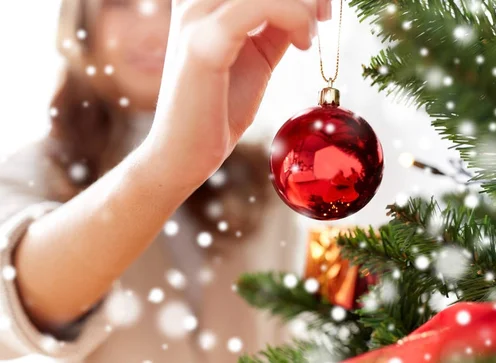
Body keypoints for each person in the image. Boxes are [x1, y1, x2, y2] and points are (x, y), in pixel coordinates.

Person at [0, 0, 331, 361]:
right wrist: (169, 162)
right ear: (81, 19)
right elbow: (17, 298)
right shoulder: (27, 174)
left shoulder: (269, 180)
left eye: (174, 2)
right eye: (119, 2)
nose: (153, 29)